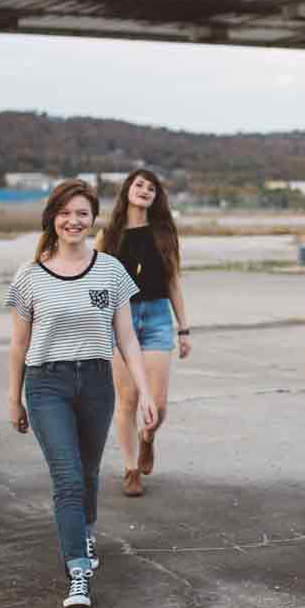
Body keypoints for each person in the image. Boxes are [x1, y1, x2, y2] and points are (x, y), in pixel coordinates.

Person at [6, 179, 158, 608]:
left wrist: (144, 393)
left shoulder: (110, 270)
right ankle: (77, 571)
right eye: (65, 213)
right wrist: (13, 398)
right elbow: (18, 343)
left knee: (88, 472)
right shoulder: (29, 275)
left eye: (82, 214)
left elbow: (127, 337)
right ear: (52, 217)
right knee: (68, 478)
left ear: (93, 220)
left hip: (95, 381)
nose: (73, 221)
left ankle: (86, 534)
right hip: (46, 384)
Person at [96, 169, 191, 498]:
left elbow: (174, 283)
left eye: (151, 188)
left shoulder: (164, 234)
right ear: (127, 190)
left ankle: (147, 438)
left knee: (159, 403)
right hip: (119, 321)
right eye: (139, 185)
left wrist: (184, 328)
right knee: (128, 400)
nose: (145, 191)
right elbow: (98, 284)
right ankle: (131, 467)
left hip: (156, 319)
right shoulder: (108, 236)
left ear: (156, 197)